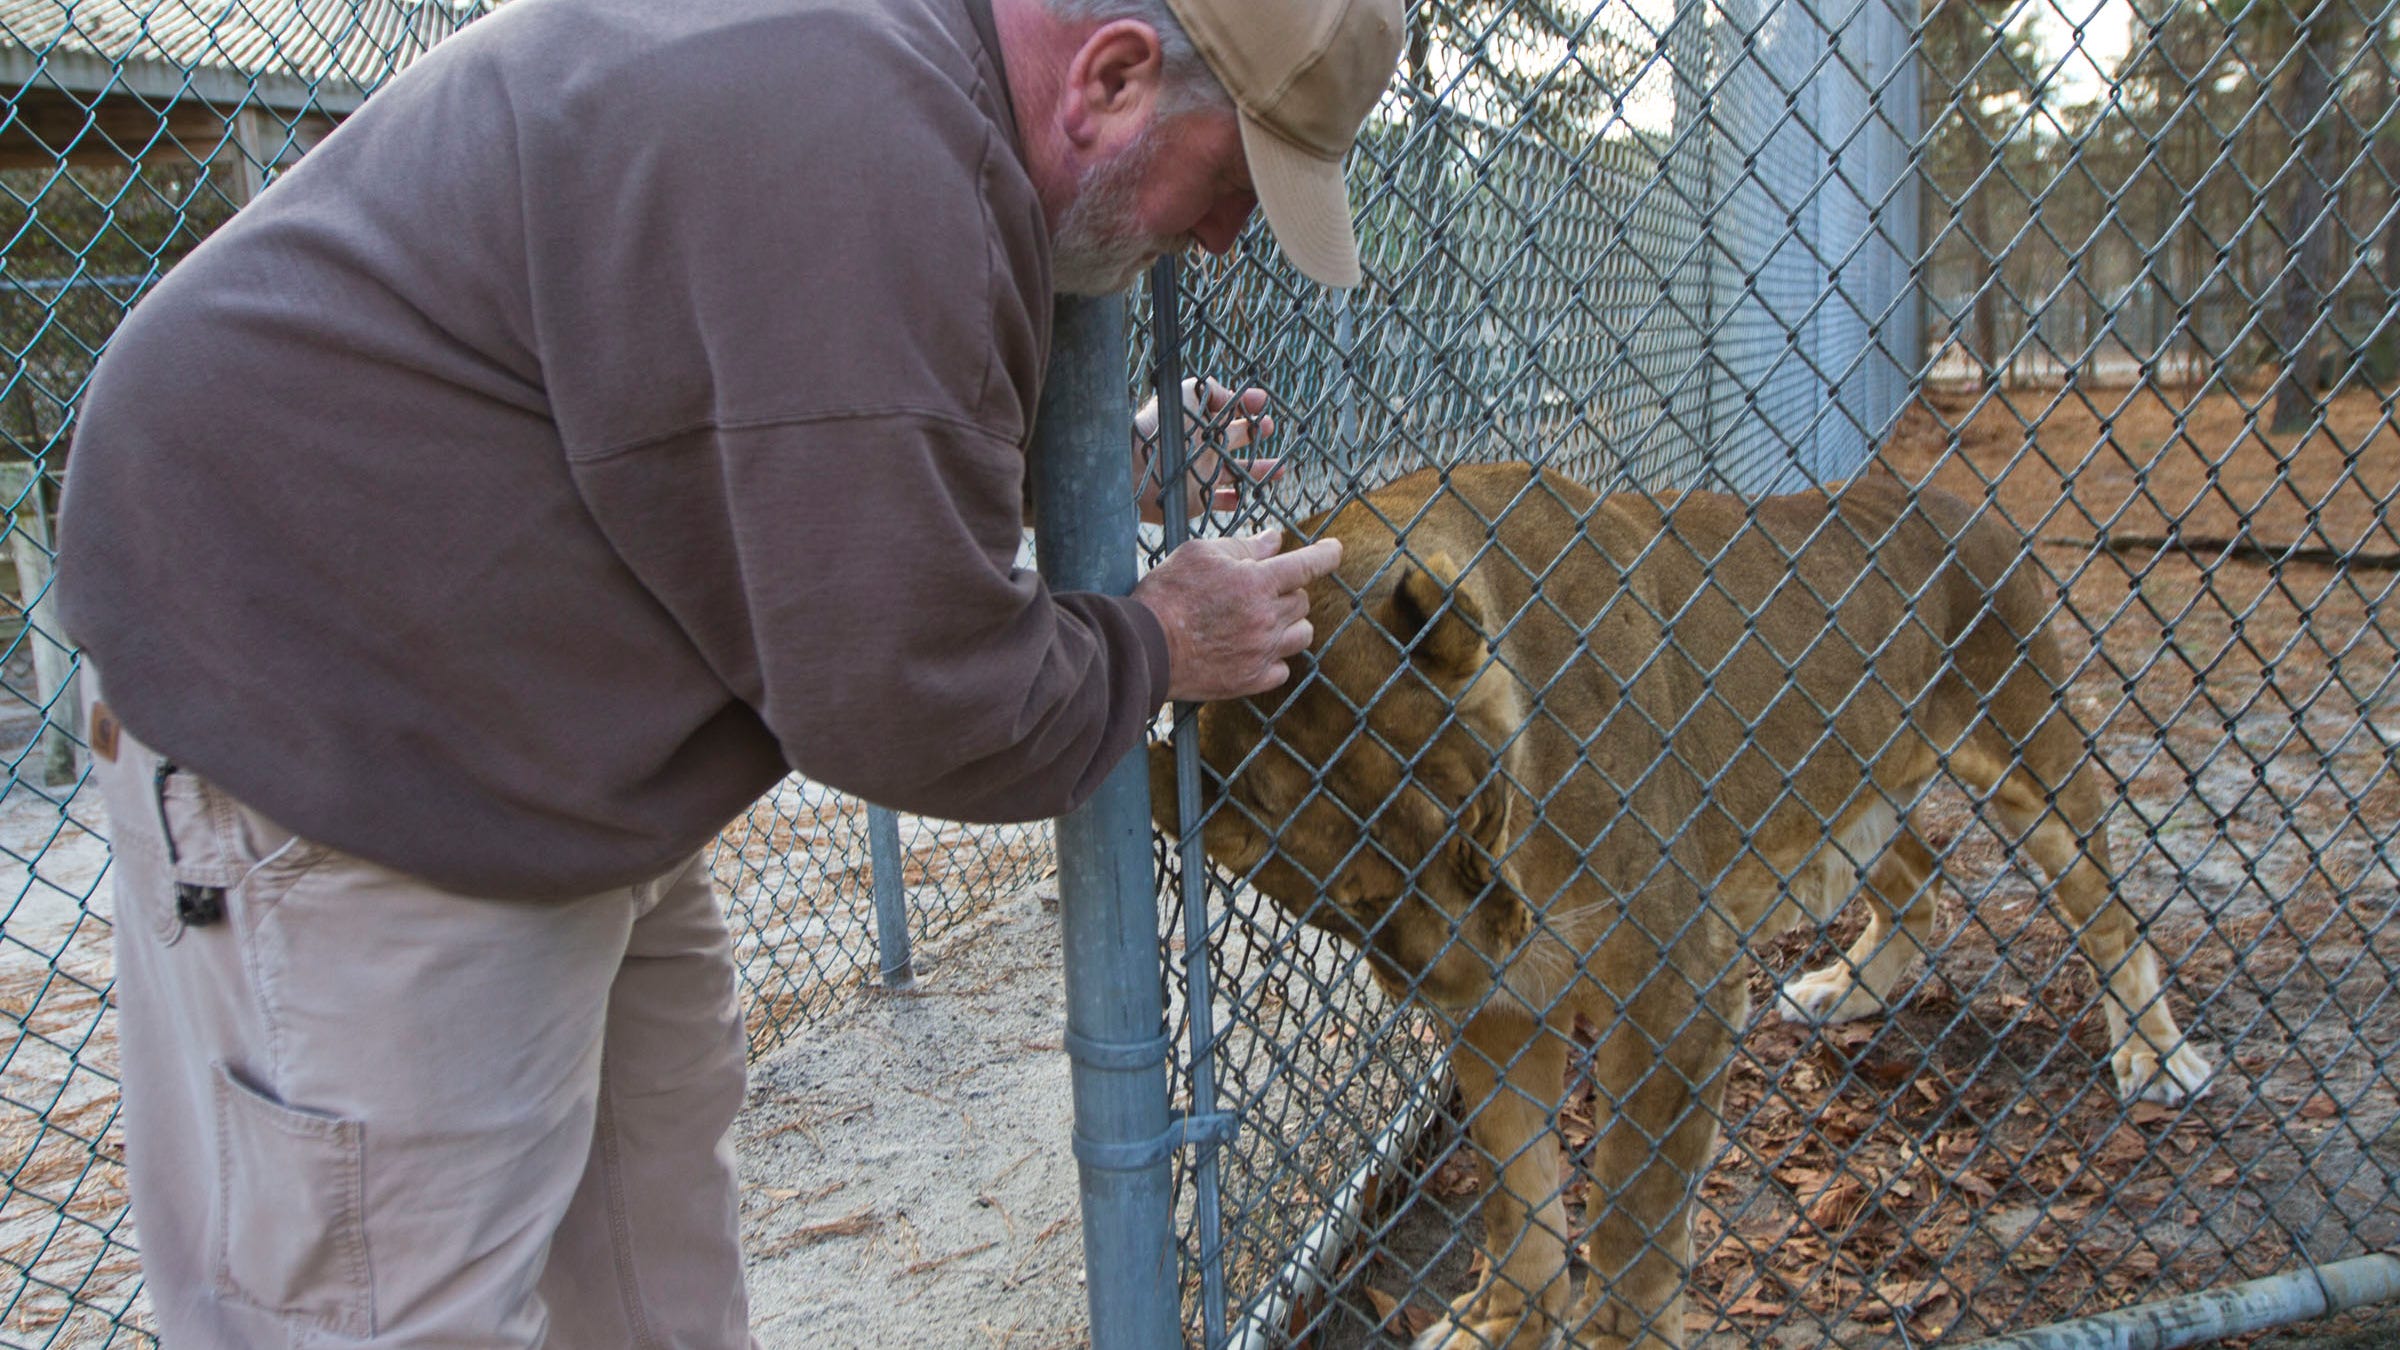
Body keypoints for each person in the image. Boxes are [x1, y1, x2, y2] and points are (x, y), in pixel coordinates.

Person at [51, 0, 1403, 1339]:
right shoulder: (871, 149)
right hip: (341, 723)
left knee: (653, 1273)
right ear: (1110, 75)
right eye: (1230, 182)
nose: (1225, 241)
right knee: (385, 1303)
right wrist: (1160, 640)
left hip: (538, 729)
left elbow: (801, 415)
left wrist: (1095, 472)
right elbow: (912, 691)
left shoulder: (897, 88)